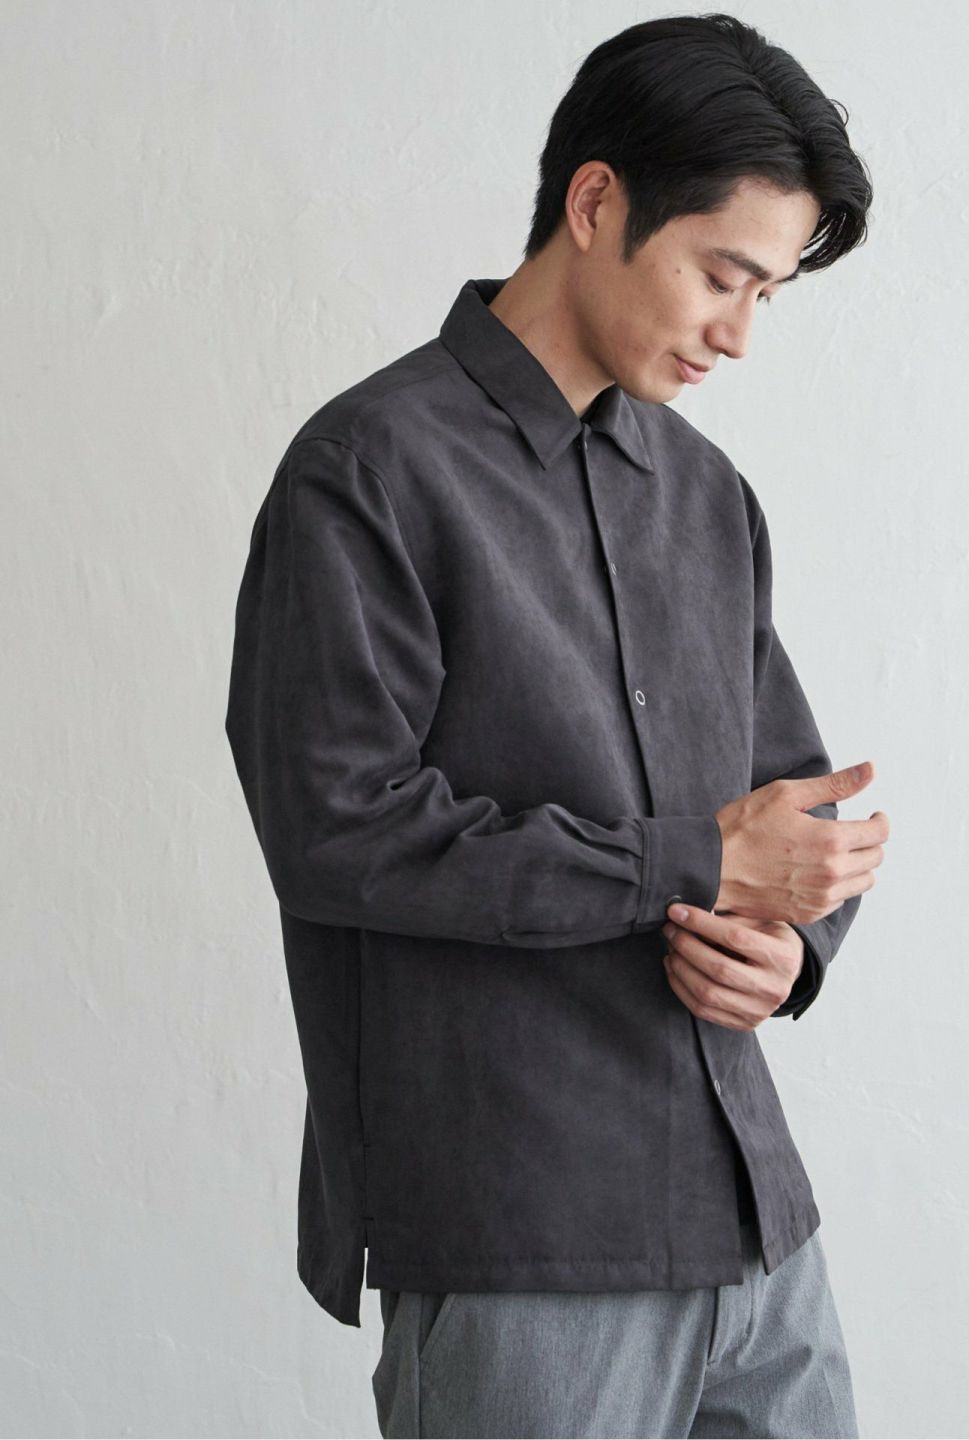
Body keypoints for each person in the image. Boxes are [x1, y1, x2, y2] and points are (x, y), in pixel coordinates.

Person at [224, 12, 887, 1438]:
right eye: (723, 275)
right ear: (595, 203)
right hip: (522, 1232)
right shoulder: (369, 470)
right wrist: (689, 864)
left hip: (756, 1231)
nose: (740, 333)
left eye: (768, 293)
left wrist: (791, 952)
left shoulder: (706, 497)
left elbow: (792, 807)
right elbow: (337, 831)